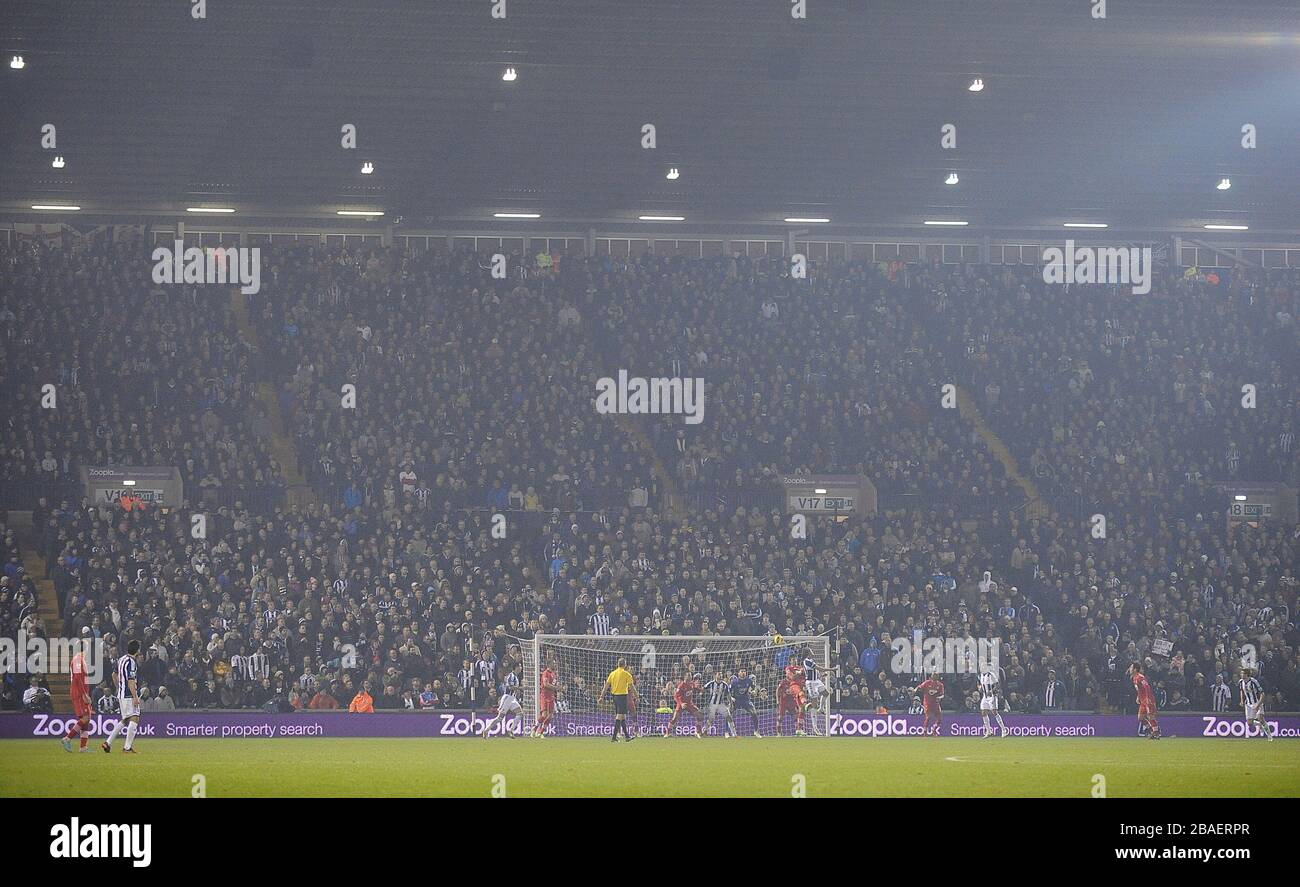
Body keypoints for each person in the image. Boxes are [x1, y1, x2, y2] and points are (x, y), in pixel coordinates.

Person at [103, 639, 141, 754]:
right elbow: (130, 681)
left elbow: (114, 674)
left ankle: (108, 742)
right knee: (135, 717)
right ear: (137, 650)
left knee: (125, 720)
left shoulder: (121, 659)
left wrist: (118, 687)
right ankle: (127, 747)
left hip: (121, 694)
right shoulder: (131, 662)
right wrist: (135, 697)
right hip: (129, 695)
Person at [61, 638, 95, 753]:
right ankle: (67, 738)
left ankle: (83, 747)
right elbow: (77, 678)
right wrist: (84, 694)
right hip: (79, 693)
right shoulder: (77, 660)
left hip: (80, 692)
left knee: (86, 718)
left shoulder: (79, 659)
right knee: (85, 718)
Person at [599, 657, 637, 742]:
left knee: (622, 716)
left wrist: (601, 696)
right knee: (620, 715)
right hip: (622, 696)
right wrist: (637, 696)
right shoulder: (626, 674)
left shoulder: (612, 673)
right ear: (625, 665)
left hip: (614, 696)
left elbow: (606, 686)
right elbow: (632, 687)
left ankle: (627, 736)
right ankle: (614, 737)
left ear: (618, 664)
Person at [664, 672, 704, 738]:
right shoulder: (681, 686)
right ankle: (667, 733)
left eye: (691, 676)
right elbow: (675, 696)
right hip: (681, 704)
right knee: (674, 718)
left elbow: (694, 688)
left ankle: (698, 732)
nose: (690, 677)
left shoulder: (691, 684)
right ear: (685, 677)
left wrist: (700, 690)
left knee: (700, 716)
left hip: (689, 704)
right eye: (689, 676)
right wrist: (681, 703)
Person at [1239, 667, 1273, 741]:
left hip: (1257, 702)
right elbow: (1241, 691)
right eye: (1241, 673)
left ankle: (1269, 736)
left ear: (1247, 674)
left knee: (1261, 718)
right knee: (1249, 723)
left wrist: (1258, 704)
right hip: (1248, 704)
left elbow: (1262, 694)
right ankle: (1260, 725)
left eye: (1243, 673)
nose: (1241, 675)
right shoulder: (1241, 682)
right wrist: (1242, 701)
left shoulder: (1254, 681)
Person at [1129, 662, 1160, 740]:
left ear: (1135, 669)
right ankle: (1152, 731)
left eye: (1131, 667)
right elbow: (1140, 689)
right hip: (1142, 700)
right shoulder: (1134, 678)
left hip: (1148, 699)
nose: (1130, 669)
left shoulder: (1140, 677)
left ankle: (1156, 733)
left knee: (1150, 716)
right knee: (1140, 718)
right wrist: (1138, 697)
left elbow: (1146, 687)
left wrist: (1147, 698)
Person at [729, 666, 762, 737]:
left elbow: (753, 689)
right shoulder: (734, 682)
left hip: (745, 700)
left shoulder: (749, 681)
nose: (743, 673)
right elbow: (728, 692)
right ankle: (727, 732)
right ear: (738, 673)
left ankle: (756, 731)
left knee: (754, 713)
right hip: (736, 700)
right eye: (742, 671)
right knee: (728, 714)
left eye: (744, 671)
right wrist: (731, 698)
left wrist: (753, 692)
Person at [532, 658, 558, 738]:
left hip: (551, 696)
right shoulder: (545, 673)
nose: (555, 664)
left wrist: (558, 686)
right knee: (544, 715)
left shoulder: (554, 674)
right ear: (549, 664)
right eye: (554, 663)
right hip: (544, 696)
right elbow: (546, 684)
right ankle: (534, 729)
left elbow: (554, 683)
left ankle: (541, 732)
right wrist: (556, 687)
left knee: (550, 716)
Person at [978, 670, 1008, 738]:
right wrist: (980, 688)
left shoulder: (991, 674)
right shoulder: (981, 675)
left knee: (994, 712)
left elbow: (997, 684)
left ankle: (1004, 730)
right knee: (983, 712)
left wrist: (991, 691)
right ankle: (988, 731)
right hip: (985, 696)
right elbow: (980, 684)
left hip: (992, 696)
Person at [915, 673, 944, 737]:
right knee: (928, 717)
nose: (934, 676)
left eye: (936, 675)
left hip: (935, 703)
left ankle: (934, 729)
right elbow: (919, 687)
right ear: (931, 676)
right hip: (927, 703)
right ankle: (925, 732)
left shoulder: (940, 685)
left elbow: (942, 695)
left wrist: (940, 697)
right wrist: (915, 689)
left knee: (939, 719)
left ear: (938, 677)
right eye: (933, 675)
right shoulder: (926, 683)